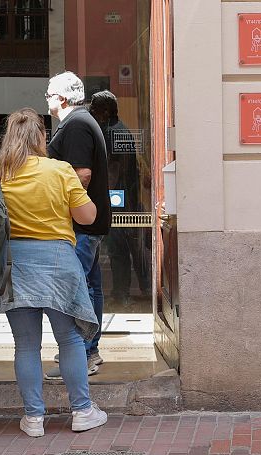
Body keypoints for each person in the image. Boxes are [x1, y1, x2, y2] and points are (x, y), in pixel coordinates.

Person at [0, 108, 108, 437]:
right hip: (58, 261)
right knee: (70, 340)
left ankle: (33, 419)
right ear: (41, 137)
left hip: (14, 263)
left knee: (26, 345)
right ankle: (83, 411)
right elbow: (87, 217)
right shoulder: (59, 170)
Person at [42, 72, 112, 379]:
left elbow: (81, 175)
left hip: (80, 225)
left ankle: (81, 355)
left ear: (61, 98)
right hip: (87, 224)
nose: (46, 100)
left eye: (48, 95)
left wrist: (57, 206)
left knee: (76, 287)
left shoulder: (75, 124)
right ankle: (89, 350)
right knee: (90, 287)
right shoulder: (80, 122)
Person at [88, 90, 151, 308]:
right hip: (127, 199)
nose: (92, 114)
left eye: (94, 110)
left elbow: (113, 170)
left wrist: (101, 196)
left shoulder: (111, 133)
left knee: (119, 249)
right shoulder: (121, 130)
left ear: (105, 111)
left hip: (117, 200)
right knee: (133, 248)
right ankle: (145, 288)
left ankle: (121, 294)